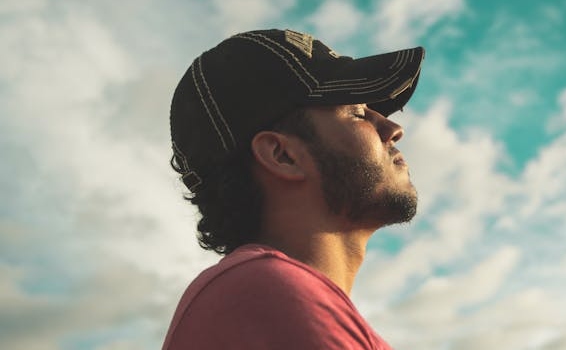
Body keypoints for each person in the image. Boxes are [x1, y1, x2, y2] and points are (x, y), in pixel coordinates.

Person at [162, 29, 424, 349]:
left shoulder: (268, 299)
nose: (393, 129)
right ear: (283, 156)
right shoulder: (263, 293)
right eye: (357, 113)